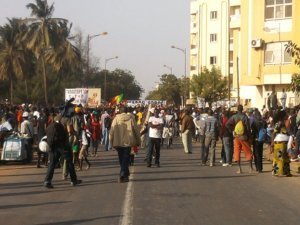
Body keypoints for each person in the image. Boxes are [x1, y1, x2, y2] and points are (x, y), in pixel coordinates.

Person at [44, 114, 82, 188]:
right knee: (70, 162)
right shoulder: (67, 119)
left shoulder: (52, 123)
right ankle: (73, 180)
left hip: (53, 146)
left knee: (51, 164)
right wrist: (75, 136)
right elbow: (69, 130)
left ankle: (47, 181)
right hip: (63, 145)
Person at [109, 106, 141, 183]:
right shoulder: (131, 118)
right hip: (128, 142)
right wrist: (138, 141)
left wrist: (111, 142)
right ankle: (123, 174)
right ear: (127, 111)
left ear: (120, 111)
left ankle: (125, 174)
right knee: (125, 158)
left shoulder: (116, 119)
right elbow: (136, 130)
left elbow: (111, 131)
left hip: (118, 142)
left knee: (121, 159)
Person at [226, 105, 253, 173]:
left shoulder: (234, 117)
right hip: (244, 137)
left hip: (236, 137)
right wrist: (249, 137)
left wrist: (233, 131)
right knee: (248, 152)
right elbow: (248, 128)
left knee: (237, 152)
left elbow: (227, 124)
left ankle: (239, 169)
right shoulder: (245, 117)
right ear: (242, 109)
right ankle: (250, 168)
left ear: (237, 109)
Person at [270, 110, 292, 177]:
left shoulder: (282, 123)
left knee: (285, 158)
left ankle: (286, 172)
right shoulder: (279, 123)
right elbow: (274, 133)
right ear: (283, 116)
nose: (287, 116)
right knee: (279, 158)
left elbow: (284, 132)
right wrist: (272, 143)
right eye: (286, 114)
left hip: (284, 143)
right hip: (279, 143)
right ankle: (277, 172)